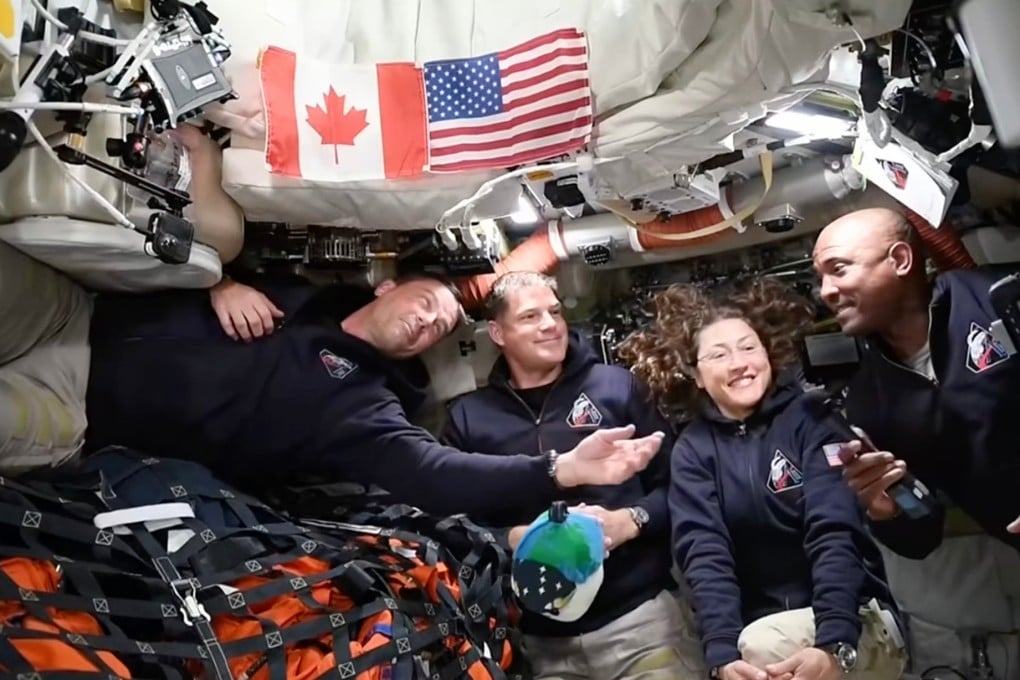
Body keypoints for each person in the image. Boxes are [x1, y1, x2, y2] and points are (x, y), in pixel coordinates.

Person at [77, 266, 663, 517]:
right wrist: (221, 281)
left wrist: (558, 470)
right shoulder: (298, 294)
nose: (430, 322)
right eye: (428, 304)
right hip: (86, 311)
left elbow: (432, 472)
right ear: (389, 286)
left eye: (440, 328)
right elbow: (197, 244)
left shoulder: (365, 406)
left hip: (81, 415)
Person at [618, 278, 905, 680]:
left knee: (764, 645)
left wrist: (834, 645)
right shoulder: (694, 450)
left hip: (855, 617)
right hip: (760, 635)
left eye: (748, 347)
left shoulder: (816, 422)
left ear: (768, 355)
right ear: (697, 376)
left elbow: (835, 532)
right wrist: (721, 657)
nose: (738, 363)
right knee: (754, 649)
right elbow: (704, 553)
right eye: (718, 355)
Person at [442, 272, 705, 680]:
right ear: (497, 332)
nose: (550, 324)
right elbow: (452, 525)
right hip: (540, 643)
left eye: (554, 312)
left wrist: (631, 521)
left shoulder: (616, 387)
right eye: (530, 316)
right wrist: (511, 538)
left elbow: (681, 485)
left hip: (641, 624)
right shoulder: (469, 419)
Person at [812, 207, 1020, 556]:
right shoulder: (869, 401)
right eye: (820, 278)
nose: (825, 291)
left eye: (838, 269)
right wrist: (885, 508)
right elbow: (922, 535)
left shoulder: (1001, 299)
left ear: (900, 260)